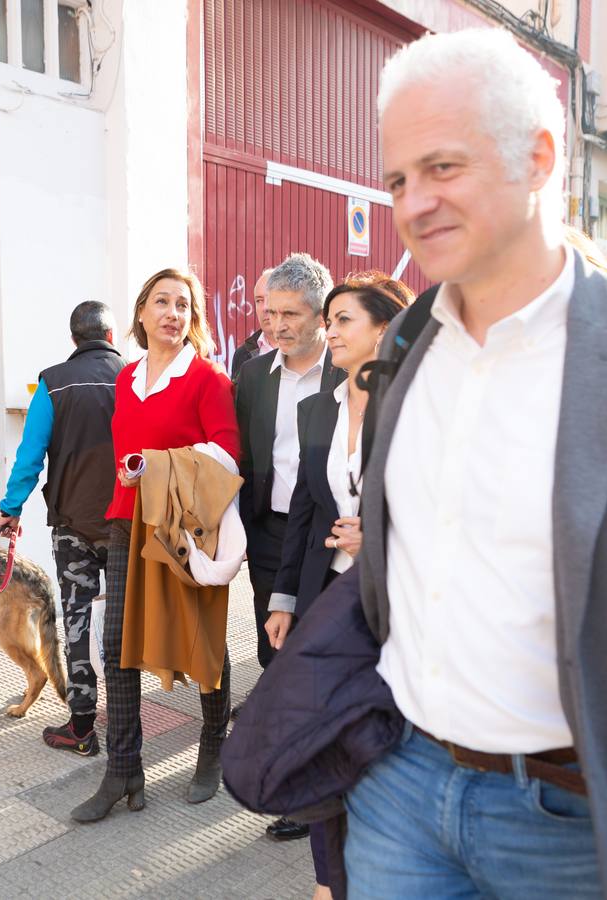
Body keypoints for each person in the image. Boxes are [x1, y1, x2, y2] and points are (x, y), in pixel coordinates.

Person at [346, 29, 607, 897]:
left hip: (574, 827)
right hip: (399, 791)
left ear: (537, 158)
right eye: (398, 179)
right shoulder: (402, 347)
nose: (414, 202)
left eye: (444, 167)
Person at [70, 268, 240, 823]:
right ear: (141, 313)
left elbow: (229, 457)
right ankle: (123, 769)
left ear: (193, 319)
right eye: (162, 302)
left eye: (183, 305)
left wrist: (160, 467)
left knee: (200, 640)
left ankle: (213, 743)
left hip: (186, 529)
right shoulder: (126, 378)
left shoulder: (208, 378)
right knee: (117, 644)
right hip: (129, 523)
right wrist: (132, 471)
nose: (173, 313)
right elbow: (127, 454)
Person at [265, 271, 409, 897]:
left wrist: (376, 538)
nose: (330, 330)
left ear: (385, 327)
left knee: (387, 748)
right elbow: (304, 507)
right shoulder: (315, 405)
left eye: (344, 318)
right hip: (328, 597)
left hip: (398, 605)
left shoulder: (415, 403)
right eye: (330, 319)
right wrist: (284, 597)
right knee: (324, 736)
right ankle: (329, 880)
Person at [232, 252, 343, 841]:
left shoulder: (347, 372)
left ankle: (318, 789)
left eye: (290, 314)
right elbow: (247, 458)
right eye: (270, 311)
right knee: (275, 654)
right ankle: (295, 777)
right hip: (273, 533)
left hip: (332, 540)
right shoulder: (252, 375)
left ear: (322, 316)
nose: (276, 324)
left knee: (320, 659)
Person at [0, 300, 124, 757]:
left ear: (74, 340)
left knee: (78, 622)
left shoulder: (53, 382)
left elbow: (30, 457)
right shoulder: (136, 378)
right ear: (111, 337)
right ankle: (125, 726)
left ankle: (83, 727)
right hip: (128, 524)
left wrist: (10, 509)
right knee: (124, 622)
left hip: (74, 527)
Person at [229, 268, 275, 378]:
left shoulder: (300, 348)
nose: (265, 308)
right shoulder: (242, 354)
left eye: (270, 298)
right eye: (259, 300)